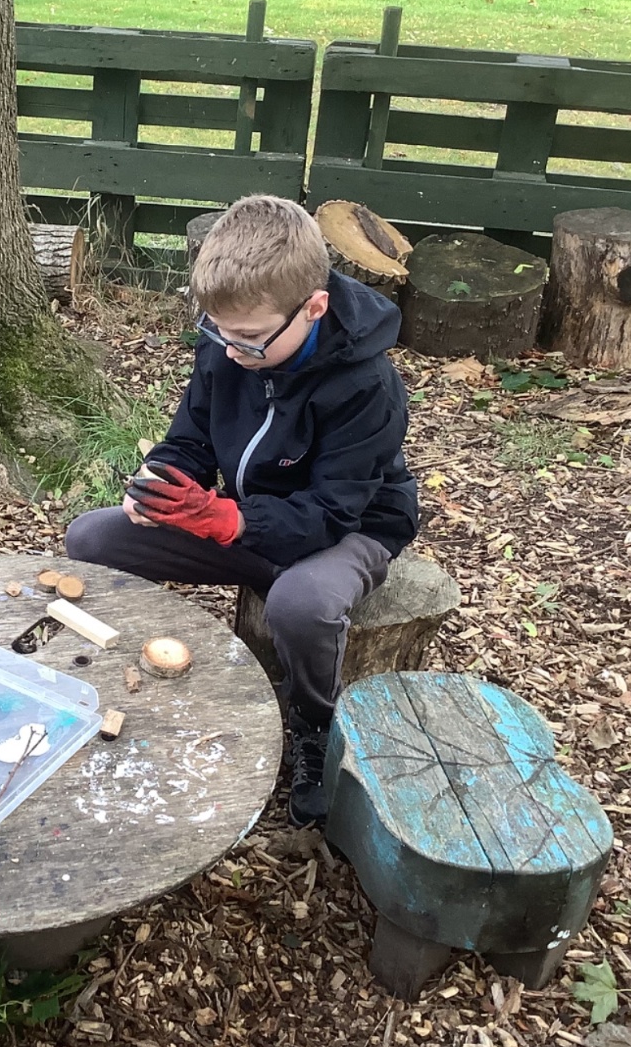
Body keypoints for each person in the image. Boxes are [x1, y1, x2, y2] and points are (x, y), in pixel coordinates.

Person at [65, 195, 419, 827]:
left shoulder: (368, 386)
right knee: (92, 538)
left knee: (299, 603)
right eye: (219, 332)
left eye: (251, 340)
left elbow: (332, 511)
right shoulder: (230, 340)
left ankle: (315, 723)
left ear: (313, 308)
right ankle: (129, 675)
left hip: (350, 529)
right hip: (250, 516)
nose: (231, 351)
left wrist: (227, 520)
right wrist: (160, 480)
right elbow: (192, 439)